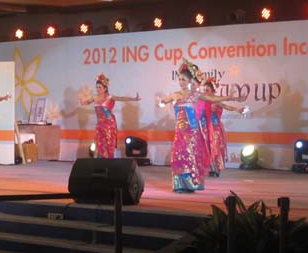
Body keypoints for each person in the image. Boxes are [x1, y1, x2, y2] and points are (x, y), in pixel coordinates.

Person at [157, 60, 242, 193]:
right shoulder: (175, 95)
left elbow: (213, 99)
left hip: (192, 132)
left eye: (183, 79)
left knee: (191, 157)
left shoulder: (196, 95)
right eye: (179, 79)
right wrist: (160, 103)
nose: (181, 82)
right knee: (178, 156)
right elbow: (163, 102)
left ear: (190, 80)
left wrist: (229, 97)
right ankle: (179, 184)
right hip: (180, 133)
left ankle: (192, 184)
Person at [80, 73, 141, 158]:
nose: (98, 89)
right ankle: (103, 162)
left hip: (109, 124)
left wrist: (134, 99)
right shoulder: (95, 97)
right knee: (100, 145)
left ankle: (109, 162)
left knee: (109, 145)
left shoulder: (109, 97)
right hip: (100, 124)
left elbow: (121, 98)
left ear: (105, 88)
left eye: (100, 87)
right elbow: (87, 102)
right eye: (97, 87)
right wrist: (83, 102)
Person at [203, 77, 247, 177]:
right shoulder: (202, 101)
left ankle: (216, 168)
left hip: (214, 128)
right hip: (205, 128)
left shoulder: (216, 101)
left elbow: (227, 107)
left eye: (207, 90)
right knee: (207, 148)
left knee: (215, 147)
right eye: (204, 90)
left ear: (213, 91)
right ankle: (209, 168)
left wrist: (237, 110)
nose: (205, 92)